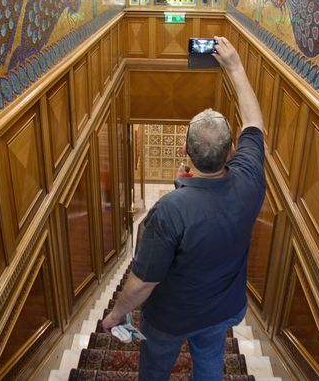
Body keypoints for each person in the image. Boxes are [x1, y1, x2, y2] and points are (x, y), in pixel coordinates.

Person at [102, 36, 265, 380]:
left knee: (156, 368)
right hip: (222, 311)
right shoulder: (249, 181)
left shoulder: (169, 211)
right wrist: (236, 67)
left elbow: (143, 283)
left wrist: (116, 314)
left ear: (186, 152)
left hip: (170, 318)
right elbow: (254, 124)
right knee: (209, 362)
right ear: (231, 151)